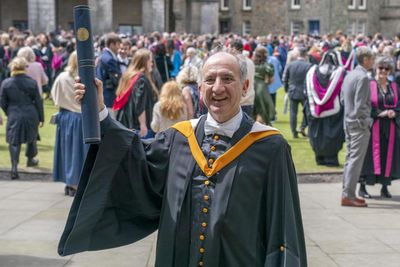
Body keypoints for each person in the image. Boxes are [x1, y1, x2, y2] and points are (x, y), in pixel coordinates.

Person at [58, 51, 307, 266]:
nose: (217, 87)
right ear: (200, 90)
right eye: (209, 80)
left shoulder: (270, 148)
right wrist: (101, 111)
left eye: (228, 79)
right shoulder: (179, 139)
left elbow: (284, 229)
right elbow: (135, 162)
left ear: (245, 87)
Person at [359, 56, 400, 199]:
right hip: (373, 126)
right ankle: (362, 187)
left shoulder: (394, 86)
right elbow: (364, 105)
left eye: (387, 68)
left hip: (391, 127)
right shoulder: (369, 84)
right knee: (368, 157)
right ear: (375, 68)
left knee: (387, 157)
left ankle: (384, 187)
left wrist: (394, 112)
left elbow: (399, 104)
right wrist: (380, 113)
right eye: (380, 68)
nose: (383, 71)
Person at [341, 46, 375, 207]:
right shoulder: (362, 77)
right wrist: (366, 122)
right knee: (354, 161)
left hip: (348, 122)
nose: (374, 62)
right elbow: (360, 106)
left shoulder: (350, 74)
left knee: (350, 159)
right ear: (366, 59)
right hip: (358, 124)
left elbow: (342, 100)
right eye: (372, 59)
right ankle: (348, 195)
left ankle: (348, 193)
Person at [0, 57, 44, 179]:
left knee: (14, 141)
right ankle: (30, 159)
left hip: (14, 113)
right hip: (31, 112)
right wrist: (41, 118)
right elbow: (38, 102)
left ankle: (14, 167)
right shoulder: (32, 82)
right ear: (25, 68)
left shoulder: (6, 83)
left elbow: (2, 102)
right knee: (32, 137)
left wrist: (9, 112)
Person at [51, 51, 88, 197]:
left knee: (67, 150)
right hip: (80, 118)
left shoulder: (62, 77)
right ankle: (75, 183)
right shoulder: (84, 78)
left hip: (65, 116)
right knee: (78, 152)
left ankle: (69, 182)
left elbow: (54, 96)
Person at [305, 50, 346, 166]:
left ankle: (319, 157)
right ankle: (331, 159)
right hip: (335, 111)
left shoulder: (311, 72)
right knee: (332, 134)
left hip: (315, 110)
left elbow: (306, 93)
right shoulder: (340, 73)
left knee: (317, 134)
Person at [112, 48, 156, 138]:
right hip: (140, 127)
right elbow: (140, 104)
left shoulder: (128, 76)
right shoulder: (141, 80)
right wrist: (143, 125)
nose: (152, 64)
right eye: (150, 61)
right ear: (145, 62)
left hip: (127, 124)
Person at [282, 47, 311, 138]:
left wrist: (287, 89)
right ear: (305, 55)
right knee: (307, 112)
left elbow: (285, 79)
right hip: (304, 92)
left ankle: (295, 132)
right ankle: (302, 127)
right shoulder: (309, 65)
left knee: (293, 113)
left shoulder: (290, 65)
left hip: (293, 91)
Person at [96, 33, 122, 118]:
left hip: (103, 96)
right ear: (111, 44)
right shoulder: (109, 59)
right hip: (109, 97)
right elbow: (117, 79)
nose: (119, 47)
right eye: (118, 44)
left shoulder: (102, 56)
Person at [253, 46, 275, 125]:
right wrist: (265, 83)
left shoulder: (250, 64)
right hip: (261, 88)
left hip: (250, 88)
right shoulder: (268, 66)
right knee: (263, 111)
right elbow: (271, 80)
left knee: (253, 111)